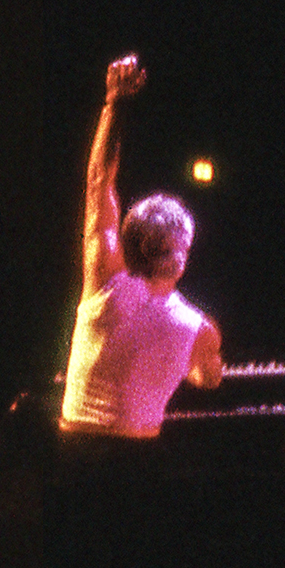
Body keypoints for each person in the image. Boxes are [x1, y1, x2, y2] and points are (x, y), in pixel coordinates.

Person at [58, 55, 224, 438]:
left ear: (132, 243)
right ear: (185, 253)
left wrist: (114, 102)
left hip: (74, 457)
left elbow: (99, 180)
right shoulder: (199, 328)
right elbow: (208, 379)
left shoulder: (104, 281)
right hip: (136, 469)